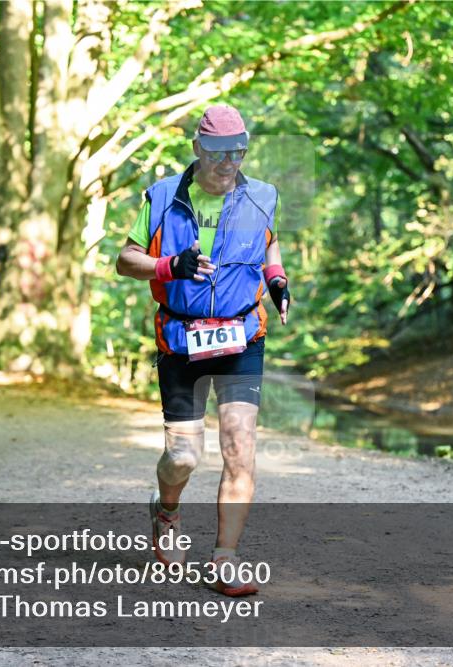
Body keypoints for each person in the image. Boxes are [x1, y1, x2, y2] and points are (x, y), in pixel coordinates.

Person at [115, 104, 289, 597]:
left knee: (240, 446)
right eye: (217, 152)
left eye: (238, 151)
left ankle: (225, 558)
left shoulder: (262, 197)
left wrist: (276, 280)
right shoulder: (163, 196)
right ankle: (167, 511)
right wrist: (169, 265)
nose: (228, 162)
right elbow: (126, 260)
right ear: (198, 149)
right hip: (182, 338)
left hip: (241, 338)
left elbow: (269, 246)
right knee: (184, 456)